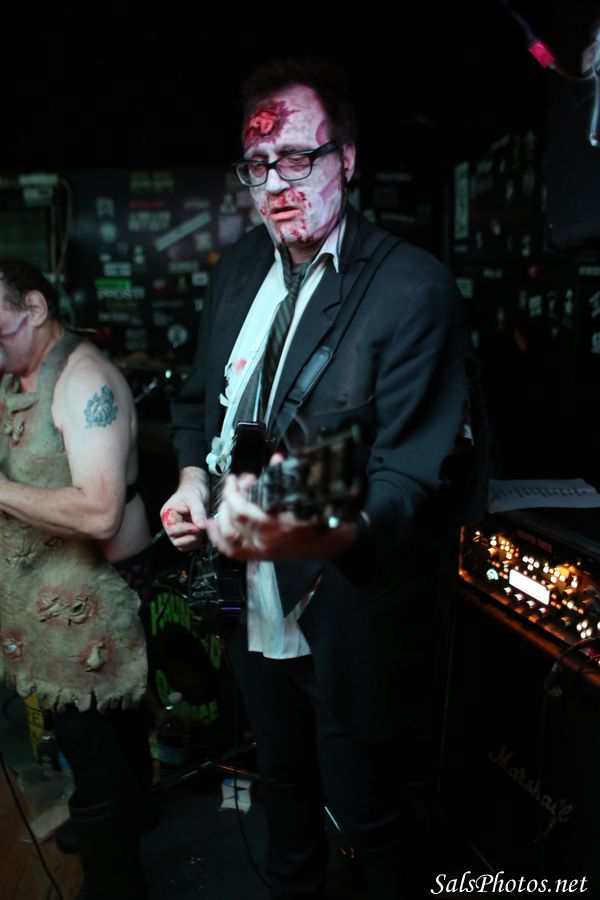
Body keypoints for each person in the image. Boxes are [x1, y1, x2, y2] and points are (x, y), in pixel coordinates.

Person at [161, 58, 473, 900]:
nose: (275, 185)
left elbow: (411, 480)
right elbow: (195, 402)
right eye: (258, 165)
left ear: (348, 159)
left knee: (371, 812)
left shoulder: (411, 288)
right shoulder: (237, 270)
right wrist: (192, 482)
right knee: (280, 782)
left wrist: (300, 522)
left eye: (298, 158)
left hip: (343, 608)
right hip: (246, 591)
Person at [0, 259, 153, 900]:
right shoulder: (17, 374)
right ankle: (117, 821)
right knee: (94, 737)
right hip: (45, 589)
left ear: (35, 309)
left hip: (99, 594)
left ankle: (112, 876)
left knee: (96, 745)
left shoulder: (84, 380)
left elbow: (99, 512)